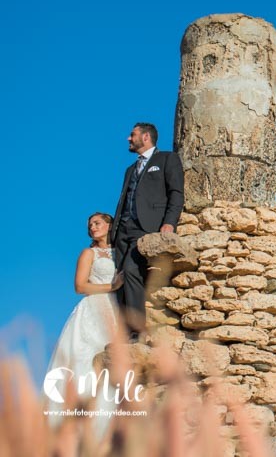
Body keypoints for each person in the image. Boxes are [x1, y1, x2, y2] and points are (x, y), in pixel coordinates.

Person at [45, 212, 123, 435]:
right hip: (94, 310)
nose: (92, 227)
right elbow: (79, 287)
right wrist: (112, 286)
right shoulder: (89, 253)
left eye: (97, 223)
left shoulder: (122, 250)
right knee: (85, 360)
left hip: (116, 311)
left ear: (109, 225)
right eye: (90, 225)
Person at [108, 122, 184, 337]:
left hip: (147, 227)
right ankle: (124, 331)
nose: (128, 139)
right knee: (120, 281)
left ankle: (137, 331)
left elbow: (176, 193)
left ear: (146, 137)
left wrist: (170, 222)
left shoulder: (167, 159)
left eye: (132, 134)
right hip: (123, 230)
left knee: (132, 270)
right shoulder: (130, 169)